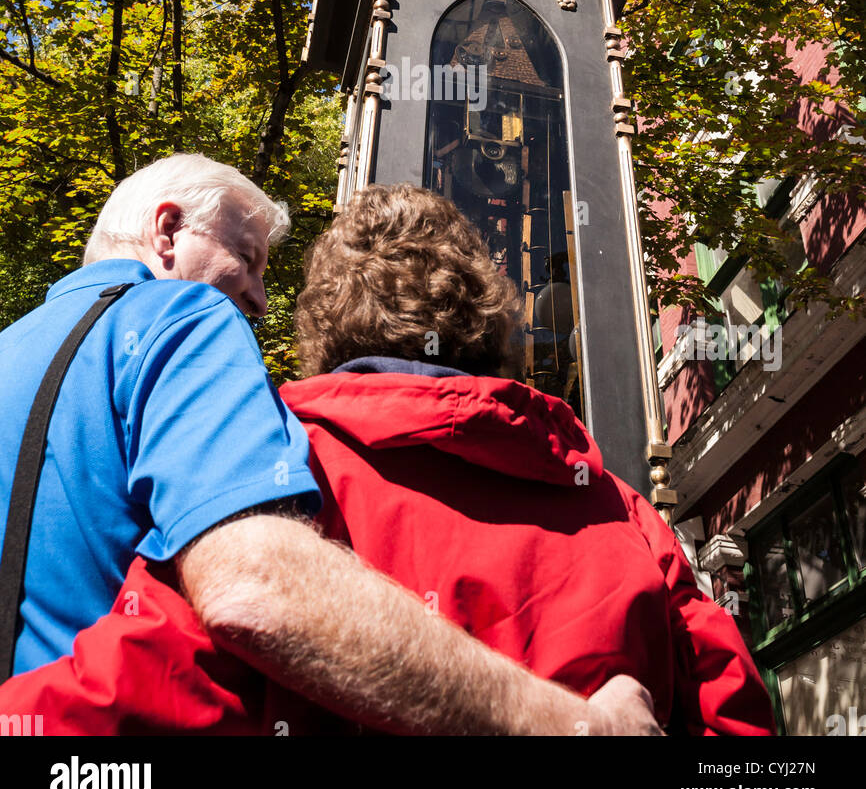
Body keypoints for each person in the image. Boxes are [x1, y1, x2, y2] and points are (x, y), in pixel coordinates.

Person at [0, 180, 774, 736]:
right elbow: (733, 717)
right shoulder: (617, 505)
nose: (258, 301)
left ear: (323, 326)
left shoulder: (268, 467)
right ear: (484, 315)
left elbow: (123, 696)